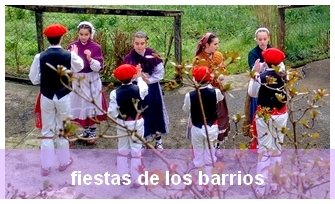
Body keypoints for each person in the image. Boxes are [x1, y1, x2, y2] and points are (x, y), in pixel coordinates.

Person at [29, 23, 84, 176]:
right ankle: (64, 162)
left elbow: (33, 79)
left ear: (47, 39)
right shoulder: (69, 55)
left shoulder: (39, 56)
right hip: (64, 96)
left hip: (46, 95)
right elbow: (79, 66)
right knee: (63, 129)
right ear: (62, 37)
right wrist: (74, 53)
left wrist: (46, 78)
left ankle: (46, 167)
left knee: (47, 130)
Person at [247, 48, 288, 198]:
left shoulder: (261, 77)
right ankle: (276, 184)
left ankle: (261, 188)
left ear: (266, 62)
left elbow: (252, 93)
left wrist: (255, 73)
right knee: (277, 148)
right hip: (281, 114)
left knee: (264, 150)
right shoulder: (285, 75)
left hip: (264, 116)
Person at [123, 31, 169, 153]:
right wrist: (136, 78)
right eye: (137, 43)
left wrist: (150, 80)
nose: (139, 46)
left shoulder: (153, 55)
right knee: (140, 113)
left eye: (142, 43)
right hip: (136, 89)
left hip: (152, 88)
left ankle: (158, 140)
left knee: (155, 111)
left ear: (146, 43)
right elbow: (126, 74)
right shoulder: (129, 58)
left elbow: (160, 72)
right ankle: (143, 140)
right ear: (133, 43)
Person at [182, 66, 224, 191]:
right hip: (212, 127)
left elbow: (186, 109)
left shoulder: (190, 95)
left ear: (194, 79)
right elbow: (220, 99)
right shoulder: (215, 92)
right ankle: (211, 182)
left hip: (197, 127)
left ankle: (200, 185)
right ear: (209, 79)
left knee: (198, 155)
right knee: (210, 153)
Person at [67, 21, 107, 145]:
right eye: (81, 34)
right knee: (76, 103)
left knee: (90, 104)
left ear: (90, 34)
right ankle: (73, 131)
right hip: (78, 79)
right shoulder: (72, 46)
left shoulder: (96, 47)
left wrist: (90, 59)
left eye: (86, 34)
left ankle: (91, 131)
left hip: (91, 79)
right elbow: (68, 65)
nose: (83, 37)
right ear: (78, 33)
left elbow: (98, 67)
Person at [108, 63, 148, 187]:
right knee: (136, 149)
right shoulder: (139, 89)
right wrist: (139, 77)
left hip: (122, 123)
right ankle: (136, 179)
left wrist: (118, 117)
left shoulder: (114, 93)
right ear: (132, 77)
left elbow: (112, 111)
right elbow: (145, 89)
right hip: (136, 121)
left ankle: (122, 177)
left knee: (122, 150)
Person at [192, 32, 230, 158]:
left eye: (218, 44)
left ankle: (217, 145)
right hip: (203, 93)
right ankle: (202, 146)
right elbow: (194, 77)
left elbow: (223, 70)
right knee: (205, 118)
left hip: (216, 91)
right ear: (207, 45)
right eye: (215, 44)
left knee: (220, 116)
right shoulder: (198, 59)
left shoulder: (218, 56)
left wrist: (221, 76)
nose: (217, 46)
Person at [243, 27, 272, 149]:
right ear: (256, 40)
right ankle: (255, 138)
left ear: (268, 38)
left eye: (265, 39)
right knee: (255, 114)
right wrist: (257, 70)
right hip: (257, 88)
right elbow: (253, 70)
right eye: (260, 39)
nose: (262, 42)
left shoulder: (272, 50)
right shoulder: (253, 53)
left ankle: (269, 134)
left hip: (270, 87)